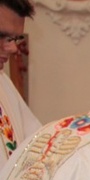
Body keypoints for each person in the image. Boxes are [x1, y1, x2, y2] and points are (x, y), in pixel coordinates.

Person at [0, 0, 41, 170]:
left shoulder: (3, 84)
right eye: (1, 36)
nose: (13, 48)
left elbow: (38, 147)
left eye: (15, 39)